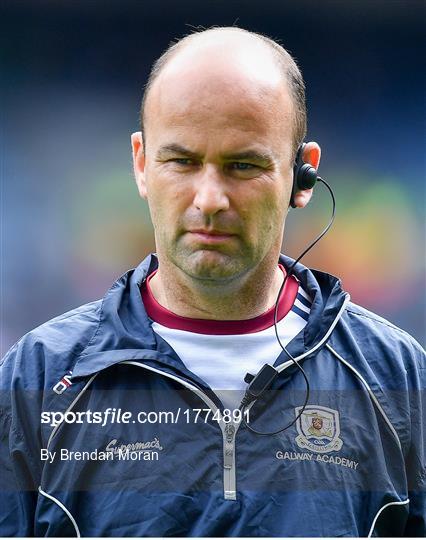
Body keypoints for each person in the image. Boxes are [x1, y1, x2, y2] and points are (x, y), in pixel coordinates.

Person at [0, 26, 424, 537]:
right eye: (181, 161)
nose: (209, 200)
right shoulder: (39, 377)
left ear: (302, 175)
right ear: (140, 164)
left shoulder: (399, 378)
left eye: (243, 165)